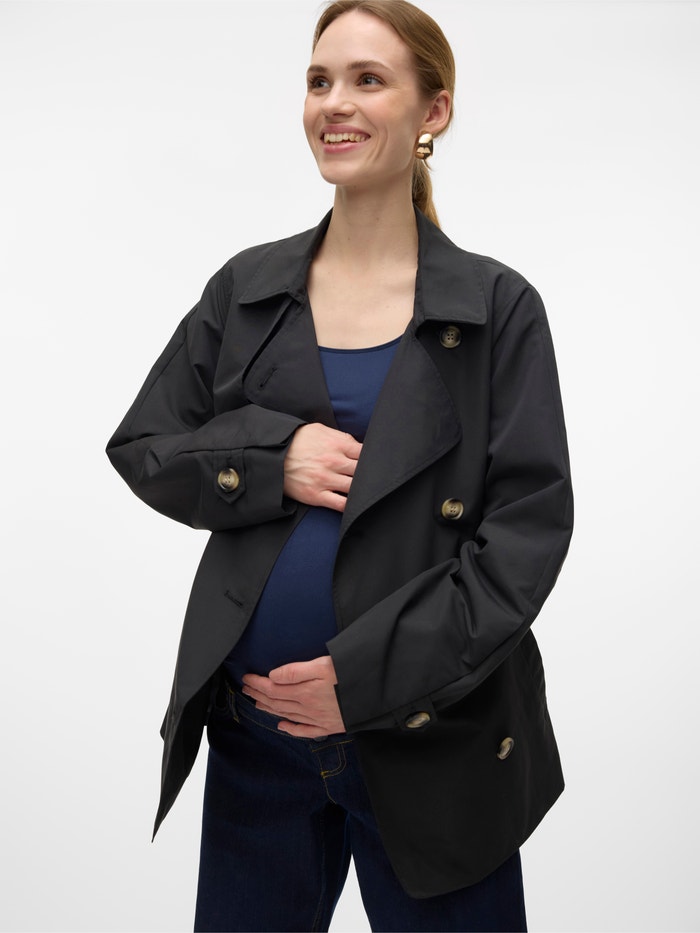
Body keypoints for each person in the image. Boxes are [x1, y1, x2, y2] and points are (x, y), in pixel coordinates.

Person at [106, 1, 573, 929]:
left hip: (432, 742)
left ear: (433, 111)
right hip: (255, 743)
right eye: (320, 80)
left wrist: (363, 678)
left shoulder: (497, 307)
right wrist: (268, 459)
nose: (334, 103)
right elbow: (144, 445)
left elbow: (525, 538)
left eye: (368, 79)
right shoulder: (247, 289)